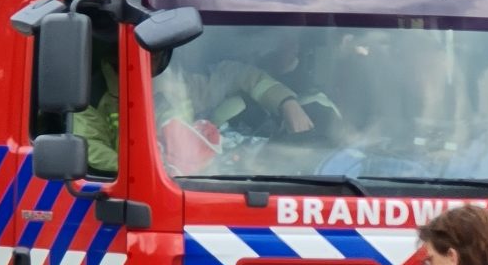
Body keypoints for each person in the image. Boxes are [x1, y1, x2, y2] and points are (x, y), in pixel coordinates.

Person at [72, 47, 314, 176]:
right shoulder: (91, 94)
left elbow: (238, 75)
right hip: (135, 194)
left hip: (197, 185)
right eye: (146, 48)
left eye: (159, 51)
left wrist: (287, 103)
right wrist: (151, 167)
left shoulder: (182, 83)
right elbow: (89, 148)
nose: (154, 57)